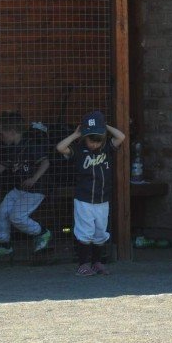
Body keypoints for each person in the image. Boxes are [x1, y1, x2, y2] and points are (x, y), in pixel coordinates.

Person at [0, 111, 54, 258]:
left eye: (2, 133)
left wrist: (34, 178)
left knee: (17, 217)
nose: (0, 137)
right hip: (19, 189)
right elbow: (1, 167)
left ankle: (42, 233)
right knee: (1, 212)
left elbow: (45, 162)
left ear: (12, 131)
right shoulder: (12, 148)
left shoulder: (31, 144)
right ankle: (5, 245)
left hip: (35, 190)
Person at [55, 110, 126, 276]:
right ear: (84, 137)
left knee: (100, 232)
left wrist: (104, 127)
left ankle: (97, 263)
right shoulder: (79, 150)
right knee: (85, 231)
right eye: (90, 139)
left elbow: (121, 136)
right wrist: (76, 134)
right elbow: (60, 147)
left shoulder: (107, 147)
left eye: (97, 140)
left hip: (102, 199)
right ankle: (83, 264)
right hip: (84, 199)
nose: (94, 144)